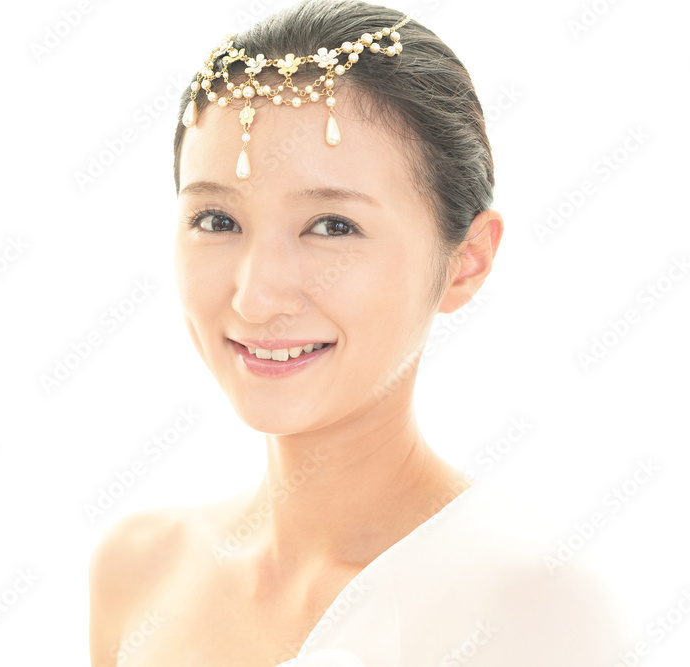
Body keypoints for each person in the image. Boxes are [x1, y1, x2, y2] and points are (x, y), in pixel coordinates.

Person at [88, 1, 631, 664]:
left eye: (332, 226)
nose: (256, 297)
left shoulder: (524, 605)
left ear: (466, 260)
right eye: (217, 220)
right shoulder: (138, 571)